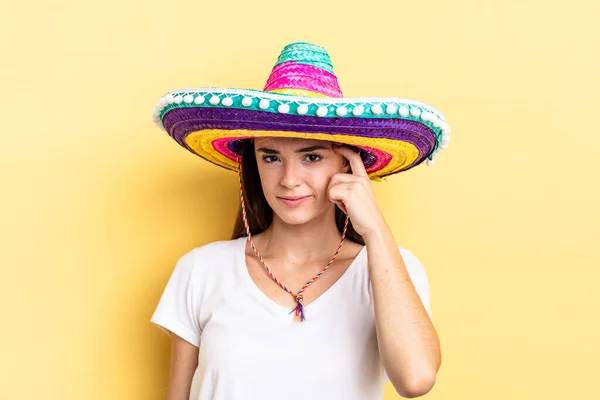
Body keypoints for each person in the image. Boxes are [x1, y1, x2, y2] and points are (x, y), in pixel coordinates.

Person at [150, 41, 449, 400]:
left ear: (347, 164)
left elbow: (416, 380)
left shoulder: (389, 268)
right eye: (271, 157)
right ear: (253, 163)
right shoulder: (201, 270)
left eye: (311, 157)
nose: (289, 179)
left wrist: (376, 231)